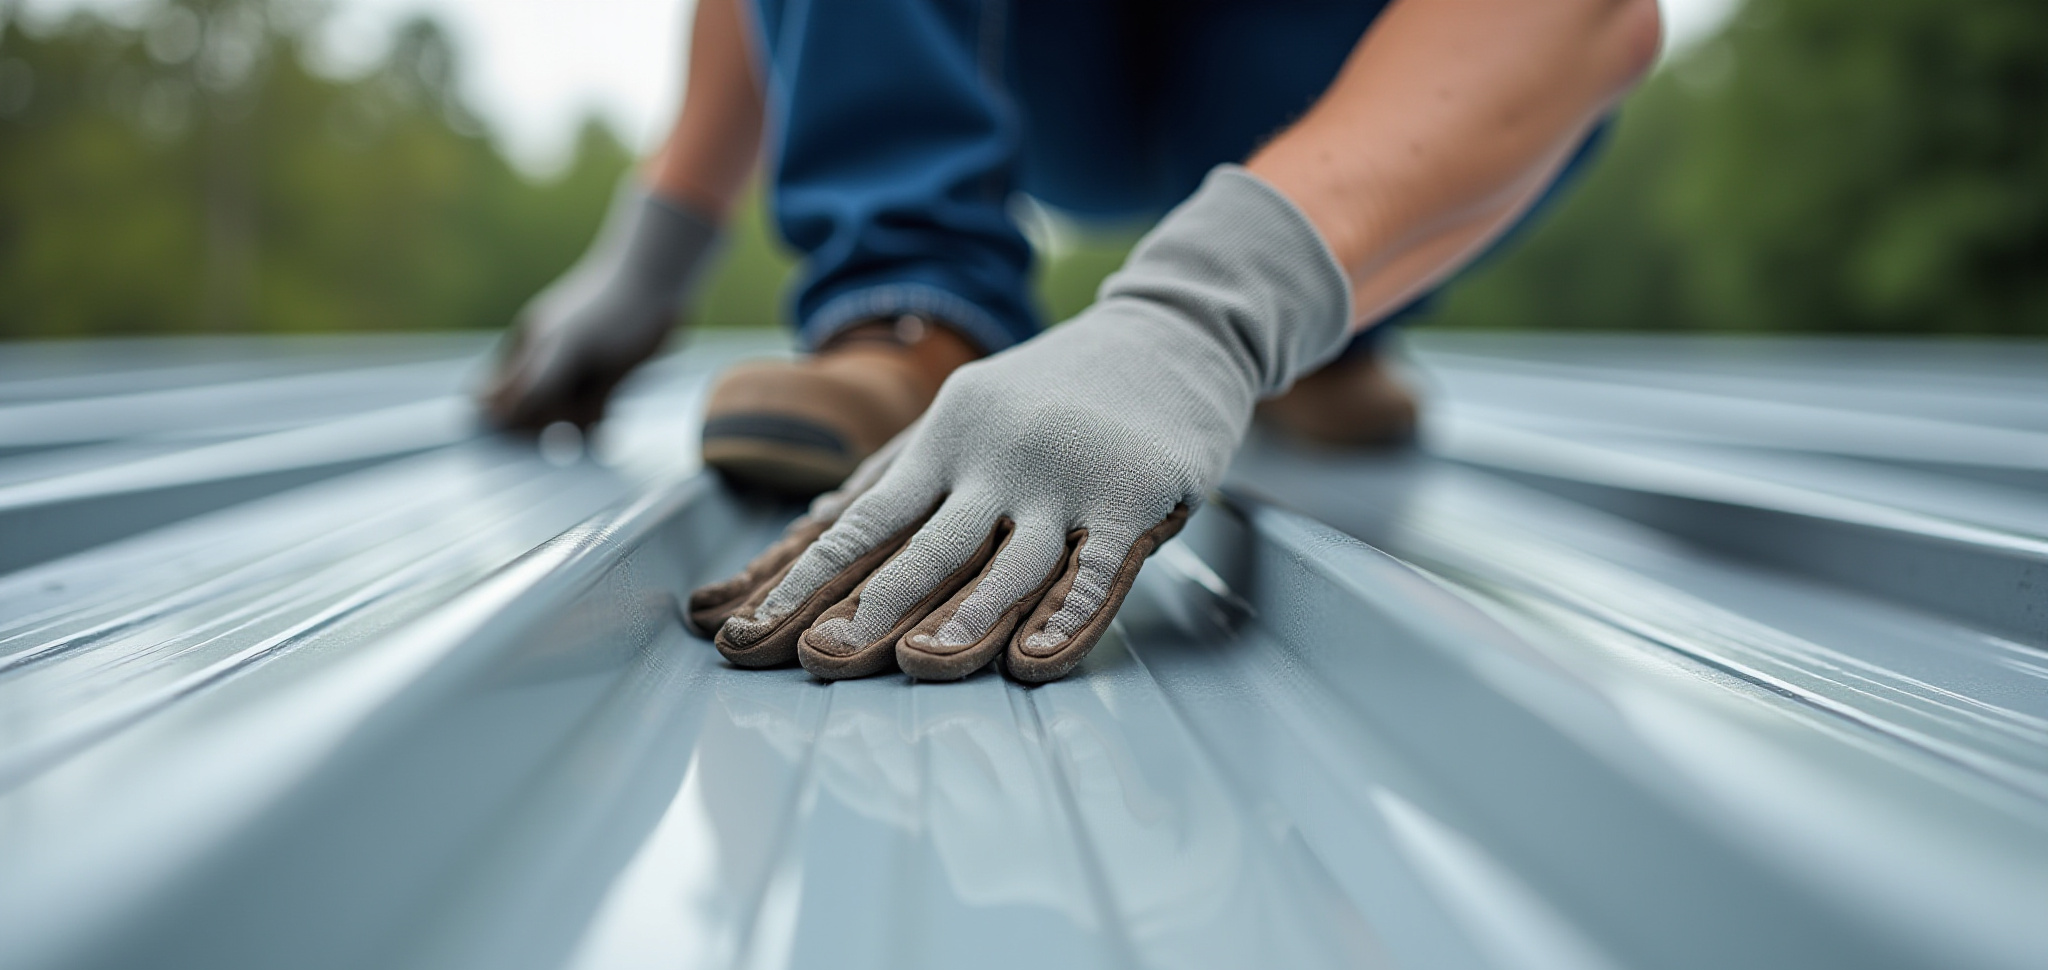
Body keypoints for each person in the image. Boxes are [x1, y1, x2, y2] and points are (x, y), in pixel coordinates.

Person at [483, 0, 1662, 683]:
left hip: (1332, 57)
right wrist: (663, 240)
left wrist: (1209, 310)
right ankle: (910, 305)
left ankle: (1322, 308)